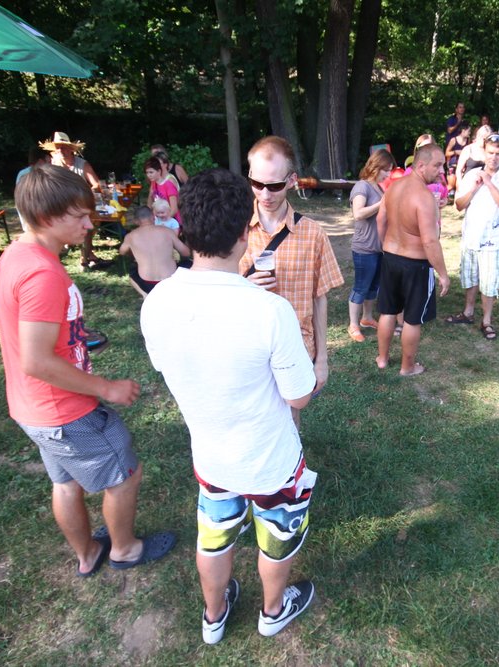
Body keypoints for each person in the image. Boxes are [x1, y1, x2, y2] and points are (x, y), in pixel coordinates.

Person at [141, 169, 318, 644]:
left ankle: (214, 617)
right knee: (276, 541)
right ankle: (273, 611)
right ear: (244, 233)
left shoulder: (156, 303)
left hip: (212, 459)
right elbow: (299, 396)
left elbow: (165, 365)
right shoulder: (270, 311)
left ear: (183, 228)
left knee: (214, 537)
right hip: (272, 462)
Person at [0, 164, 175, 578]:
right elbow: (36, 361)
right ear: (46, 217)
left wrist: (67, 336)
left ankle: (88, 554)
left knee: (65, 482)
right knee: (125, 475)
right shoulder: (43, 274)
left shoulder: (15, 255)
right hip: (65, 410)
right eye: (79, 217)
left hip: (30, 407)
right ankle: (124, 549)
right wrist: (106, 387)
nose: (89, 225)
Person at [238, 136, 344, 425]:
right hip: (247, 349)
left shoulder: (313, 234)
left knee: (290, 419)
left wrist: (322, 360)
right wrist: (245, 288)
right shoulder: (234, 229)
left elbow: (319, 299)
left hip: (297, 348)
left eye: (274, 185)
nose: (265, 194)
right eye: (256, 183)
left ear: (292, 180)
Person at [375, 144, 450, 375]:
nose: (442, 171)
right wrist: (443, 274)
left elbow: (380, 220)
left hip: (391, 258)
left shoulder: (393, 187)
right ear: (421, 165)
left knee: (388, 311)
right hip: (416, 265)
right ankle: (407, 367)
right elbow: (430, 241)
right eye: (437, 165)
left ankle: (382, 359)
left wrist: (386, 247)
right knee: (412, 319)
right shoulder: (424, 197)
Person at [446, 134, 499, 340]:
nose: (493, 157)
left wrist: (489, 183)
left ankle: (486, 321)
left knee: (488, 282)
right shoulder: (472, 174)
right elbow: (459, 205)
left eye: (498, 153)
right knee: (469, 276)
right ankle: (468, 312)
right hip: (471, 235)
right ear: (484, 152)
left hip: (492, 239)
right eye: (490, 153)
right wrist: (475, 187)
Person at [40, 131, 109, 269]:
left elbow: (96, 184)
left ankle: (85, 256)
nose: (61, 150)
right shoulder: (53, 165)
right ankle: (58, 253)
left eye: (64, 147)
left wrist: (84, 194)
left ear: (71, 149)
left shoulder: (82, 164)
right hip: (60, 204)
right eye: (58, 148)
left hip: (80, 203)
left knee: (88, 224)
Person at [347, 149, 394, 342]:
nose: (388, 174)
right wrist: (382, 203)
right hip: (364, 247)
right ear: (376, 167)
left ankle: (366, 318)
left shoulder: (379, 188)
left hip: (378, 247)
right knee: (361, 286)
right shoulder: (362, 186)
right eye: (386, 170)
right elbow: (358, 214)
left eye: (390, 170)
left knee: (374, 286)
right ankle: (353, 324)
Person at [120, 205, 188, 296]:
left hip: (146, 284)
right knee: (188, 263)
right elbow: (186, 253)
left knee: (132, 274)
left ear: (136, 221)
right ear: (153, 217)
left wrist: (133, 252)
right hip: (170, 281)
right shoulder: (167, 231)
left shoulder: (130, 236)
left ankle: (144, 294)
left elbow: (122, 252)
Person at [145, 156, 180, 222]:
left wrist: (163, 222)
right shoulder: (153, 183)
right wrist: (150, 194)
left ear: (159, 171)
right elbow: (149, 206)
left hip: (172, 221)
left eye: (151, 172)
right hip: (159, 219)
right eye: (147, 172)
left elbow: (174, 209)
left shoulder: (168, 185)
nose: (148, 175)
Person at [445, 122, 471, 192]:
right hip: (453, 165)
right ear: (463, 130)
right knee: (451, 185)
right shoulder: (453, 140)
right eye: (468, 131)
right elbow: (446, 153)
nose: (469, 133)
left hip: (462, 166)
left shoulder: (468, 141)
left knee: (459, 185)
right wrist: (456, 152)